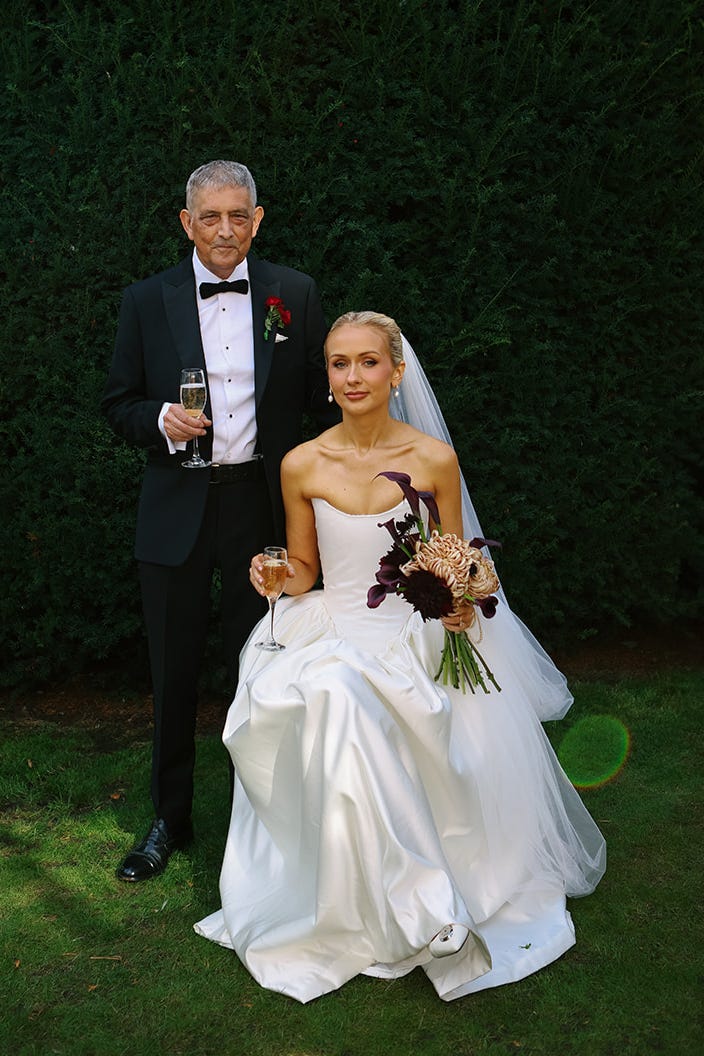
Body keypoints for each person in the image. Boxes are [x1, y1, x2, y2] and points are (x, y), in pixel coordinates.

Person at [194, 311, 606, 1003]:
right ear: (326, 377)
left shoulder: (432, 460)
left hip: (414, 634)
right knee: (331, 690)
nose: (353, 377)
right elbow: (302, 569)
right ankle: (416, 911)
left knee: (343, 699)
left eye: (367, 362)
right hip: (336, 629)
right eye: (338, 364)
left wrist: (463, 600)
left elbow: (465, 562)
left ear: (396, 371)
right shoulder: (302, 462)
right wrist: (273, 576)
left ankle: (423, 905)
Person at [102, 160, 338, 883]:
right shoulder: (147, 300)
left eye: (239, 215)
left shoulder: (292, 295)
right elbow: (117, 404)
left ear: (257, 220)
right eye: (211, 217)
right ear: (187, 222)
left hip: (259, 508)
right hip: (176, 504)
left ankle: (257, 825)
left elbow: (325, 402)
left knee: (261, 668)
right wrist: (162, 421)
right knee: (172, 672)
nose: (226, 229)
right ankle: (168, 818)